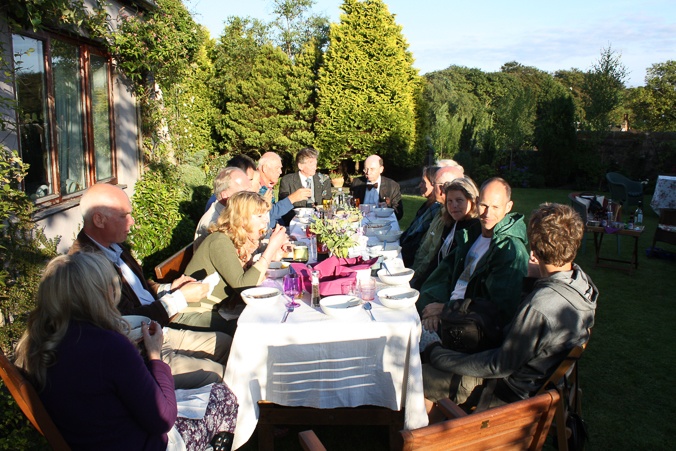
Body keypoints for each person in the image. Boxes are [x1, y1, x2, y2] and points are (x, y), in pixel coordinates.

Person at [14, 252, 238, 451]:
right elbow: (164, 419)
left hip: (97, 437)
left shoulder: (36, 345)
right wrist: (154, 356)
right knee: (225, 397)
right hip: (141, 442)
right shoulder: (109, 346)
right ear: (101, 295)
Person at [422, 203, 597, 412]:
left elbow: (498, 365)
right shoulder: (583, 284)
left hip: (504, 393)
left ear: (533, 251)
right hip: (533, 376)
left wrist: (436, 352)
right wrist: (534, 275)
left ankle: (425, 437)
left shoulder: (540, 306)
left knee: (417, 372)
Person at [70, 183, 230, 389]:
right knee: (221, 374)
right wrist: (180, 298)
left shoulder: (113, 247)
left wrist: (170, 287)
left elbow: (140, 290)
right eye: (124, 215)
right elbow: (127, 321)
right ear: (99, 219)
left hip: (158, 332)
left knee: (227, 345)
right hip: (140, 351)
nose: (132, 221)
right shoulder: (85, 266)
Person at [418, 177, 529, 333]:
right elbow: (444, 276)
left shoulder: (509, 250)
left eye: (496, 207)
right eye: (484, 205)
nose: (487, 213)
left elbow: (498, 310)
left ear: (508, 207)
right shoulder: (472, 234)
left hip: (469, 328)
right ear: (477, 202)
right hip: (449, 311)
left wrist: (444, 310)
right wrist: (434, 308)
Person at [185, 191, 290, 313]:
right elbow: (245, 287)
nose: (266, 221)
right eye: (259, 216)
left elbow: (251, 277)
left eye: (266, 215)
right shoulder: (219, 241)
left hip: (223, 308)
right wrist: (271, 248)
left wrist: (274, 255)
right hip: (199, 312)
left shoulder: (240, 241)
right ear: (241, 219)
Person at [409, 164, 465, 289]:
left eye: (435, 184)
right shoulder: (440, 210)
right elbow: (424, 246)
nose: (435, 189)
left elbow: (434, 259)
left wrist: (414, 280)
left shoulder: (458, 222)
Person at [194, 167, 252, 251]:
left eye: (250, 189)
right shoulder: (213, 223)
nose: (252, 195)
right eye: (245, 192)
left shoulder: (231, 213)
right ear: (225, 195)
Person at [400, 166, 441, 267]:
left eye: (423, 182)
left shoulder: (435, 210)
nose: (420, 185)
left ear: (433, 185)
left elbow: (417, 242)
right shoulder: (427, 205)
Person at [278, 147, 332, 224]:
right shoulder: (287, 181)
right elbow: (283, 207)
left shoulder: (324, 180)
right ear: (301, 166)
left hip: (319, 222)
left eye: (315, 164)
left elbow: (327, 204)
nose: (315, 167)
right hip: (295, 223)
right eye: (311, 164)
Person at [258, 152, 312, 225]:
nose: (280, 172)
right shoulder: (256, 187)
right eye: (277, 168)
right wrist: (292, 199)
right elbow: (267, 215)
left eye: (280, 168)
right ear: (265, 168)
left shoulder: (267, 186)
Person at [350, 155, 403, 220]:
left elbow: (399, 213)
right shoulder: (356, 183)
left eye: (372, 169)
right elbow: (350, 205)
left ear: (381, 169)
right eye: (365, 169)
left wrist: (387, 209)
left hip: (383, 222)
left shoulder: (392, 186)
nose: (368, 172)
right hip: (360, 221)